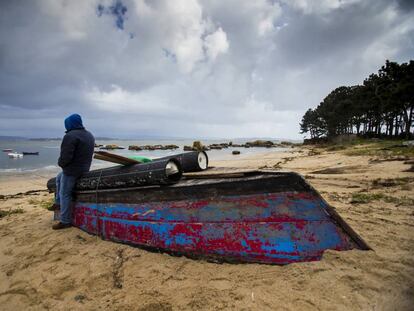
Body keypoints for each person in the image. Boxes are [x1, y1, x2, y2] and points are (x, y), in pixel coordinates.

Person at [52, 114, 95, 230]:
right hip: (85, 169)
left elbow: (65, 157)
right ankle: (58, 203)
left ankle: (65, 221)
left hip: (71, 171)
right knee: (58, 178)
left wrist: (60, 163)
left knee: (65, 194)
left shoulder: (70, 136)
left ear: (69, 124)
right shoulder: (89, 135)